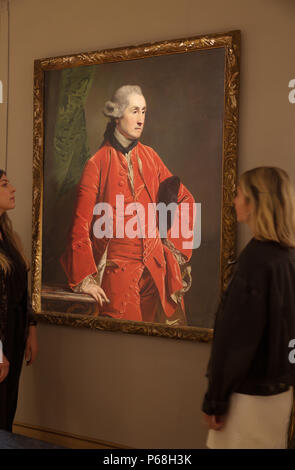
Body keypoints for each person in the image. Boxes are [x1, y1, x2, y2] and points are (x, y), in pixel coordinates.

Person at [60, 85, 195, 324]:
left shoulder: (151, 157)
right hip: (117, 278)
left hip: (156, 274)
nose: (141, 119)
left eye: (144, 111)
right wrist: (86, 279)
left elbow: (184, 199)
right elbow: (80, 226)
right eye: (134, 111)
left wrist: (172, 248)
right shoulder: (97, 163)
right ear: (116, 116)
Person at [202, 166, 295, 449]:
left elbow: (235, 343)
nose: (234, 201)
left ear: (255, 203)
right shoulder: (287, 258)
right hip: (281, 394)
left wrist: (215, 399)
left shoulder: (255, 264)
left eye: (239, 194)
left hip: (248, 398)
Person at [0, 170, 38, 431]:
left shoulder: (9, 238)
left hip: (13, 334)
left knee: (7, 408)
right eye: (4, 184)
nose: (12, 188)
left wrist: (31, 330)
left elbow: (21, 292)